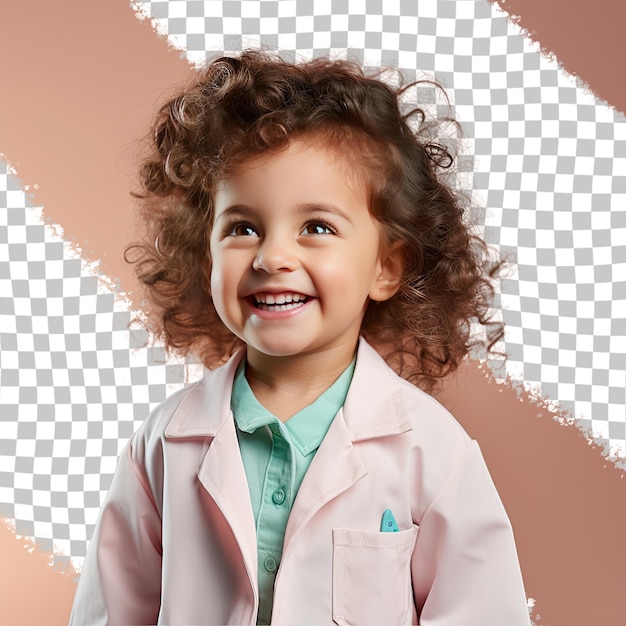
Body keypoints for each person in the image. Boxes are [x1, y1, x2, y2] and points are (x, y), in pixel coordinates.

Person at [69, 50, 530, 625]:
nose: (272, 256)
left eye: (317, 227)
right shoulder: (163, 446)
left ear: (386, 265)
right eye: (242, 227)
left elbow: (483, 613)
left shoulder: (433, 453)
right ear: (203, 249)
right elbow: (112, 610)